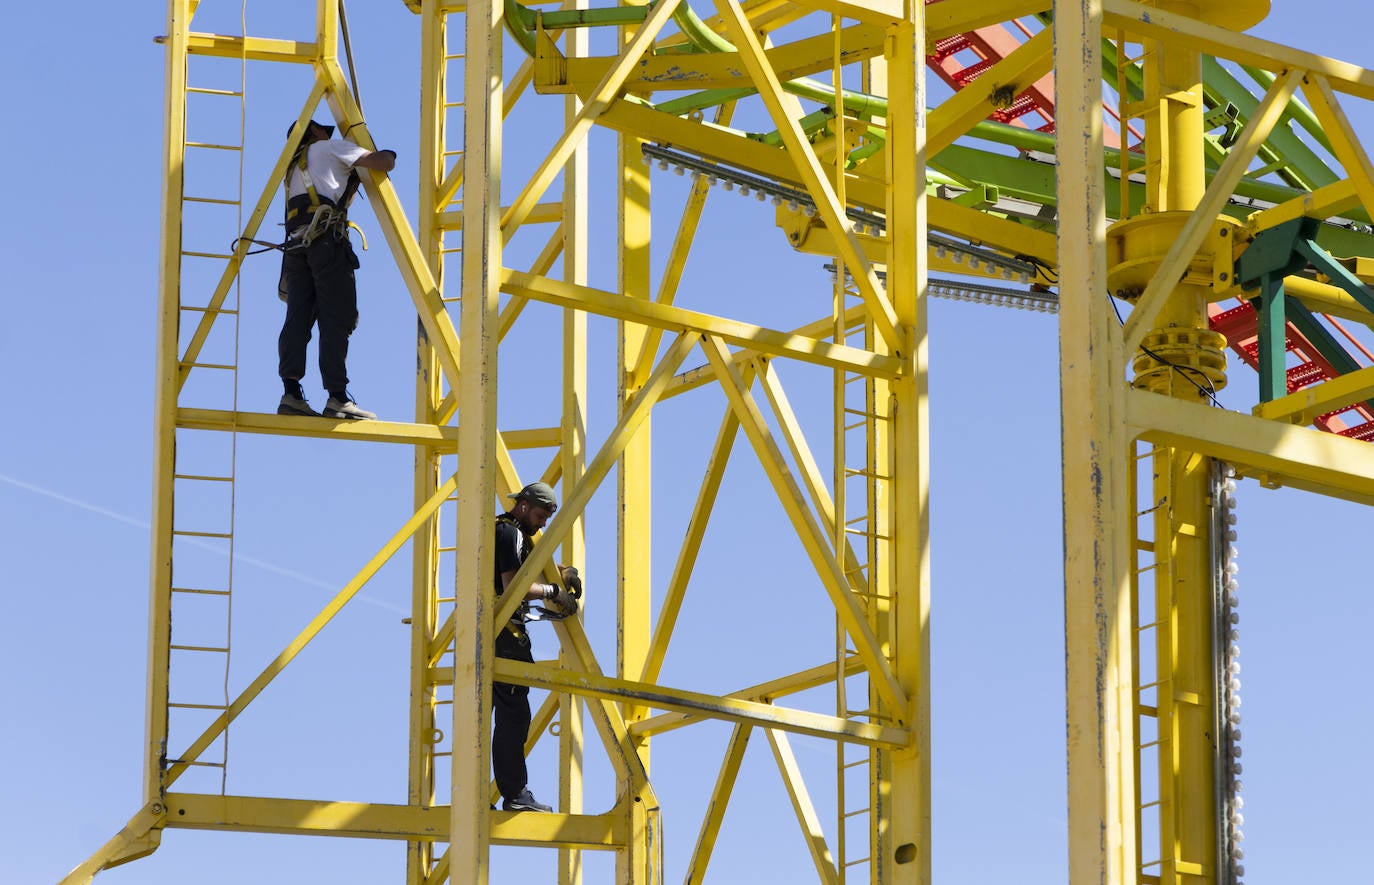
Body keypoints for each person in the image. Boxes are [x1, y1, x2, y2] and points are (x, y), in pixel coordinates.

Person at [276, 119, 396, 420]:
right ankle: (337, 397)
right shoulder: (329, 148)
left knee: (298, 319)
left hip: (296, 246)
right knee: (336, 317)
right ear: (313, 132)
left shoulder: (291, 170)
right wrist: (390, 153)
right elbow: (382, 163)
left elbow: (339, 197)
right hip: (326, 243)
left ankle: (291, 393)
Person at [492, 481, 580, 813]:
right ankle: (514, 793)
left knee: (492, 716)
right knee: (514, 716)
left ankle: (481, 792)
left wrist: (561, 573)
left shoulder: (508, 532)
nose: (542, 524)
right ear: (525, 506)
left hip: (490, 632)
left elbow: (526, 563)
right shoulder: (510, 532)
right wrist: (553, 593)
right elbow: (515, 585)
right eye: (541, 516)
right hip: (504, 634)